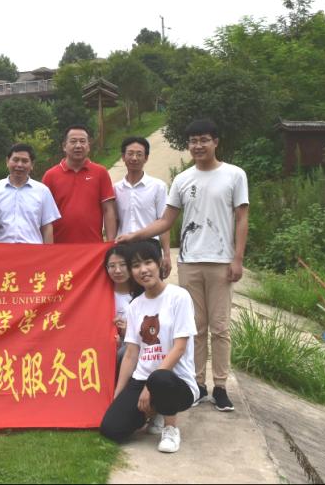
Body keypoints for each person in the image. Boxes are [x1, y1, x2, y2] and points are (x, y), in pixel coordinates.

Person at [117, 118, 249, 412]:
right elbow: (166, 220)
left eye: (204, 140)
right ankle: (198, 384)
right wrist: (135, 236)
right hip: (189, 261)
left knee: (220, 327)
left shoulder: (234, 175)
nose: (198, 146)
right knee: (195, 328)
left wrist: (238, 258)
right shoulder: (182, 179)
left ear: (215, 142)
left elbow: (242, 218)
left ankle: (221, 386)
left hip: (221, 261)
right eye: (193, 141)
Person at [99, 240, 198, 454]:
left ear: (159, 264)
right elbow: (131, 354)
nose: (143, 270)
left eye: (148, 262)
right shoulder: (135, 306)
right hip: (142, 378)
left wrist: (150, 387)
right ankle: (155, 410)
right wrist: (117, 396)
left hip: (175, 381)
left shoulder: (179, 297)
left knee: (160, 379)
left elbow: (179, 348)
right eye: (136, 265)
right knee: (111, 428)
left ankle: (170, 428)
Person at [41, 125, 117, 243]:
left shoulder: (100, 172)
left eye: (82, 141)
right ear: (64, 146)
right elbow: (43, 215)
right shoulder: (50, 175)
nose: (78, 145)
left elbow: (108, 210)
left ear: (88, 146)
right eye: (73, 141)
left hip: (93, 246)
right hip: (59, 246)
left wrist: (110, 243)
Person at [114, 136, 172, 277]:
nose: (134, 158)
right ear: (123, 157)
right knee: (125, 286)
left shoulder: (158, 186)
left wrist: (167, 254)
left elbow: (163, 221)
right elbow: (114, 221)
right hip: (123, 246)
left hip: (150, 246)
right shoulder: (115, 189)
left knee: (151, 287)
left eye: (139, 154)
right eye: (130, 153)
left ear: (146, 158)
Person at [0, 143, 61, 244]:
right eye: (15, 160)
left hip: (32, 250)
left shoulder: (43, 191)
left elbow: (47, 227)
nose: (19, 165)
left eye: (25, 161)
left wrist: (48, 252)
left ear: (32, 165)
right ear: (7, 161)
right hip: (0, 249)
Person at [104, 244, 139, 378]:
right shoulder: (101, 296)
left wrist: (128, 331)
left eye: (123, 265)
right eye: (112, 266)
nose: (117, 270)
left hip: (134, 349)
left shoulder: (143, 294)